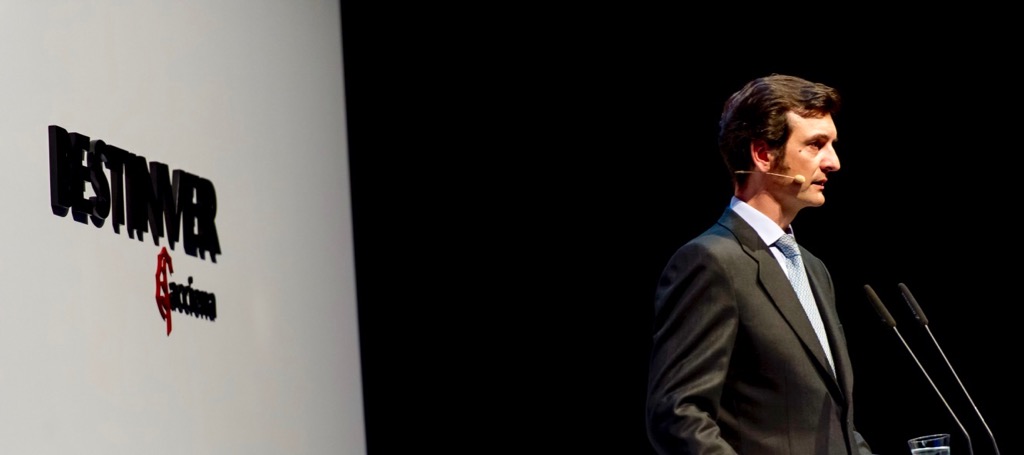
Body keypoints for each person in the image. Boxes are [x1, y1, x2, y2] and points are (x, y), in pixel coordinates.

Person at [645, 74, 874, 455]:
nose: (833, 162)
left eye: (832, 145)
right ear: (763, 154)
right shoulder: (711, 261)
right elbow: (678, 414)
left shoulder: (813, 269)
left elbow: (833, 424)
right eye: (815, 144)